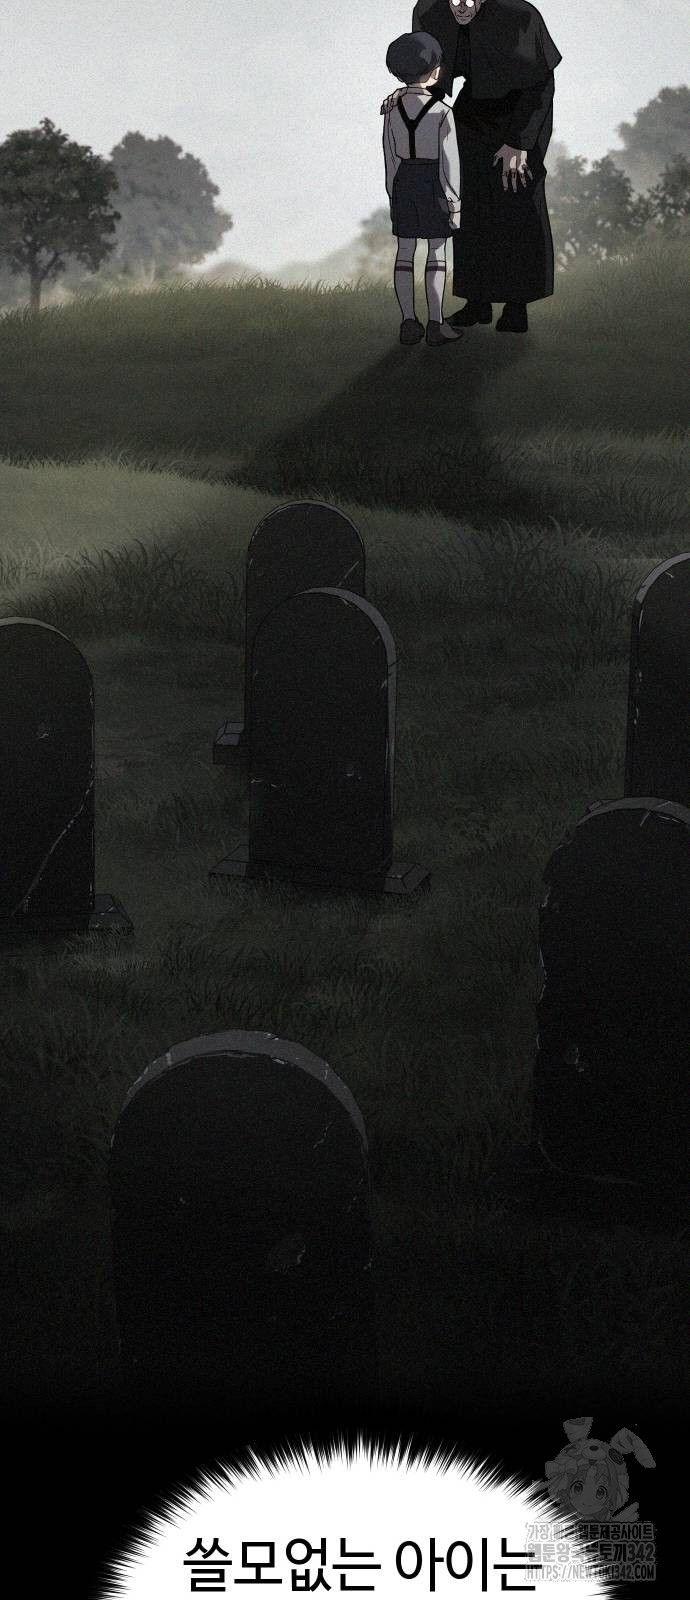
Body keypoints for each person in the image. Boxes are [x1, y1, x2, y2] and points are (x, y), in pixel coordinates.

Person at [383, 0, 561, 332]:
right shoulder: (429, 11)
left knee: (516, 201)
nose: (462, 6)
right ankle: (476, 301)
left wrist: (519, 142)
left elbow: (540, 85)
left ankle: (517, 305)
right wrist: (409, 95)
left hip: (522, 113)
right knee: (468, 203)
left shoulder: (521, 17)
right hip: (473, 109)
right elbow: (433, 75)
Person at [383, 31, 463, 346]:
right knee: (437, 252)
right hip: (433, 184)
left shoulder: (391, 110)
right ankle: (435, 323)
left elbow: (390, 157)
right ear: (434, 70)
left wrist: (393, 193)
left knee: (404, 252)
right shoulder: (443, 112)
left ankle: (408, 321)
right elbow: (449, 164)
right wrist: (454, 204)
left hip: (404, 181)